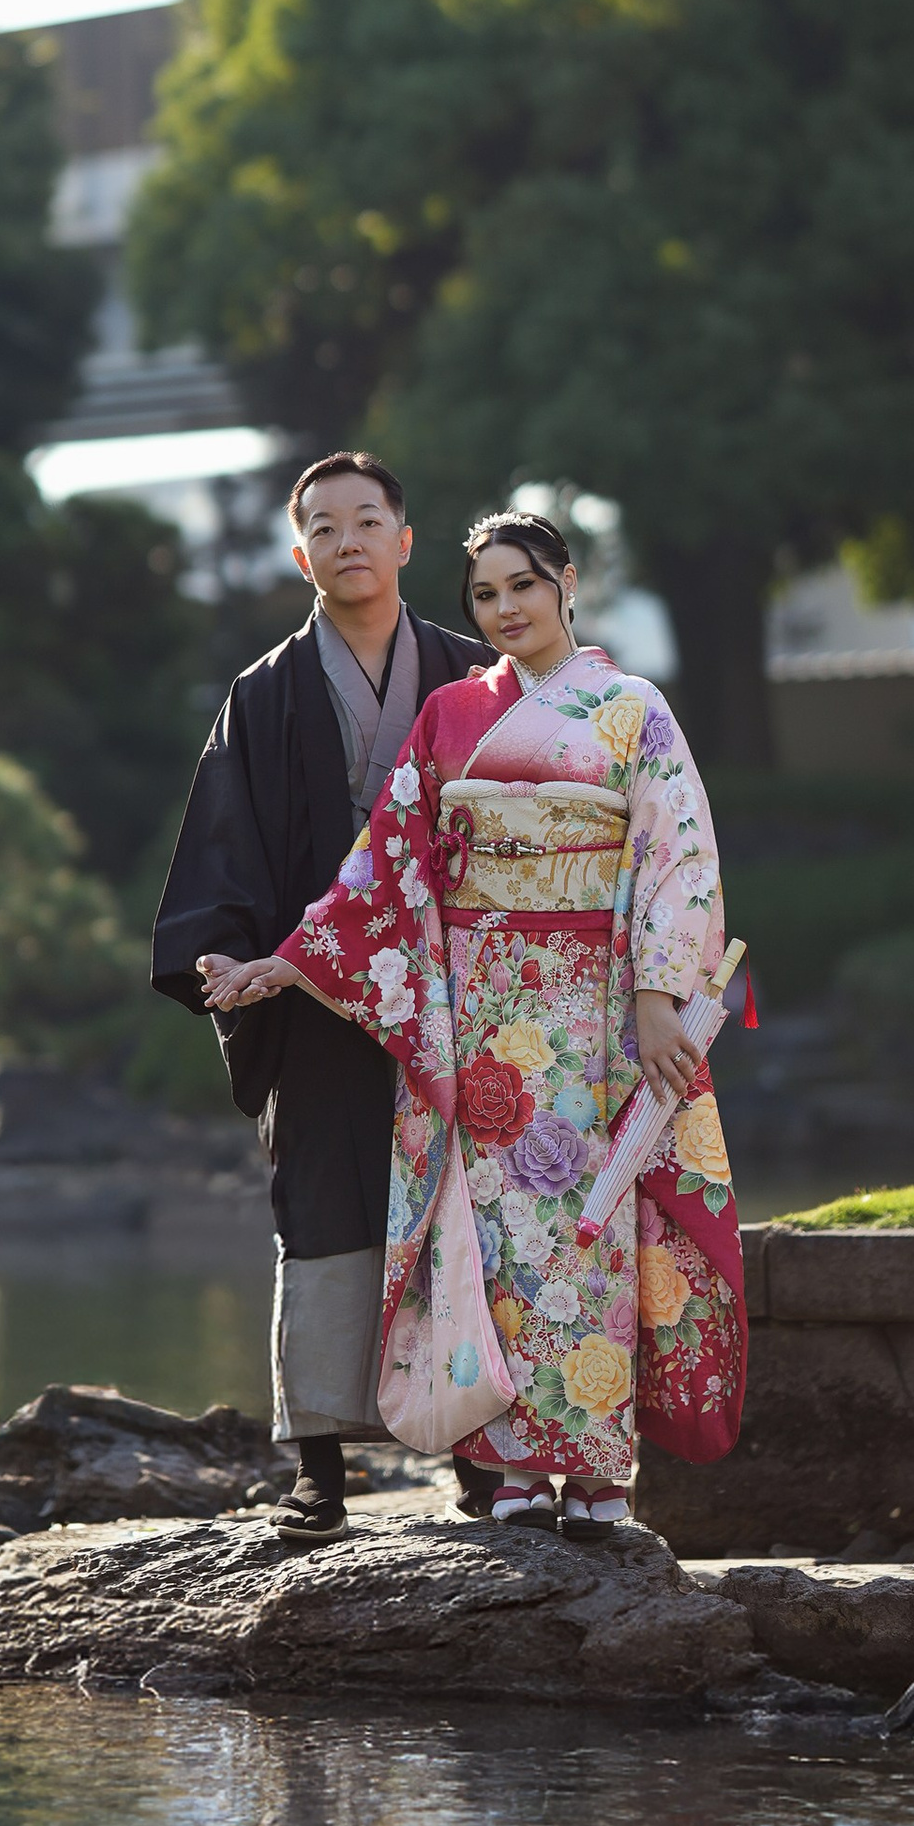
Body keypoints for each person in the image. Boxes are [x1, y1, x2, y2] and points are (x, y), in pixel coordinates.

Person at [203, 508, 746, 1524]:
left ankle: (597, 1473)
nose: (504, 610)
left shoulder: (633, 711)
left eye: (522, 587)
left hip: (594, 1004)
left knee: (592, 1229)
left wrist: (659, 1001)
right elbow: (386, 864)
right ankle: (509, 1468)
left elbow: (679, 858)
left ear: (566, 584)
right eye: (485, 595)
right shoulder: (450, 714)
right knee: (492, 1232)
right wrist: (285, 962)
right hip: (482, 1010)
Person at [152, 452, 482, 1533]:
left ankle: (475, 1447)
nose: (348, 541)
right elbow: (225, 838)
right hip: (314, 996)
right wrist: (221, 953)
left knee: (460, 1212)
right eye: (325, 527)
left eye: (367, 520)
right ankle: (320, 1463)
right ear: (300, 555)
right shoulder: (266, 692)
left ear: (405, 539)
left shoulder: (477, 679)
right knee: (325, 1206)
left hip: (448, 993)